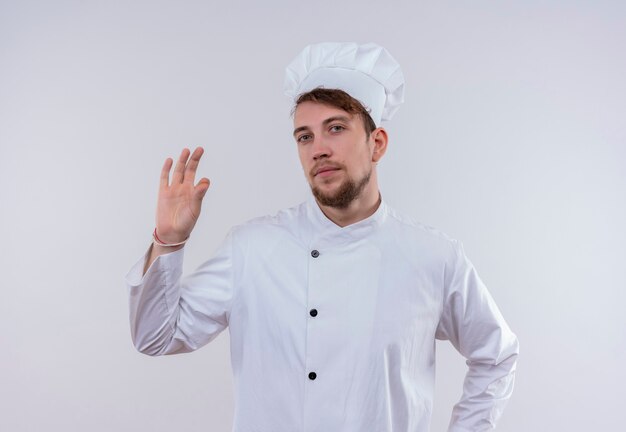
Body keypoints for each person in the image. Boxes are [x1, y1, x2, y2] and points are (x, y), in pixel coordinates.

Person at [126, 42, 519, 432]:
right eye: (304, 137)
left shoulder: (434, 256)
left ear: (376, 142)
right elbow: (154, 338)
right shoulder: (252, 247)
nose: (318, 150)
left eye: (335, 128)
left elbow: (496, 355)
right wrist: (169, 241)